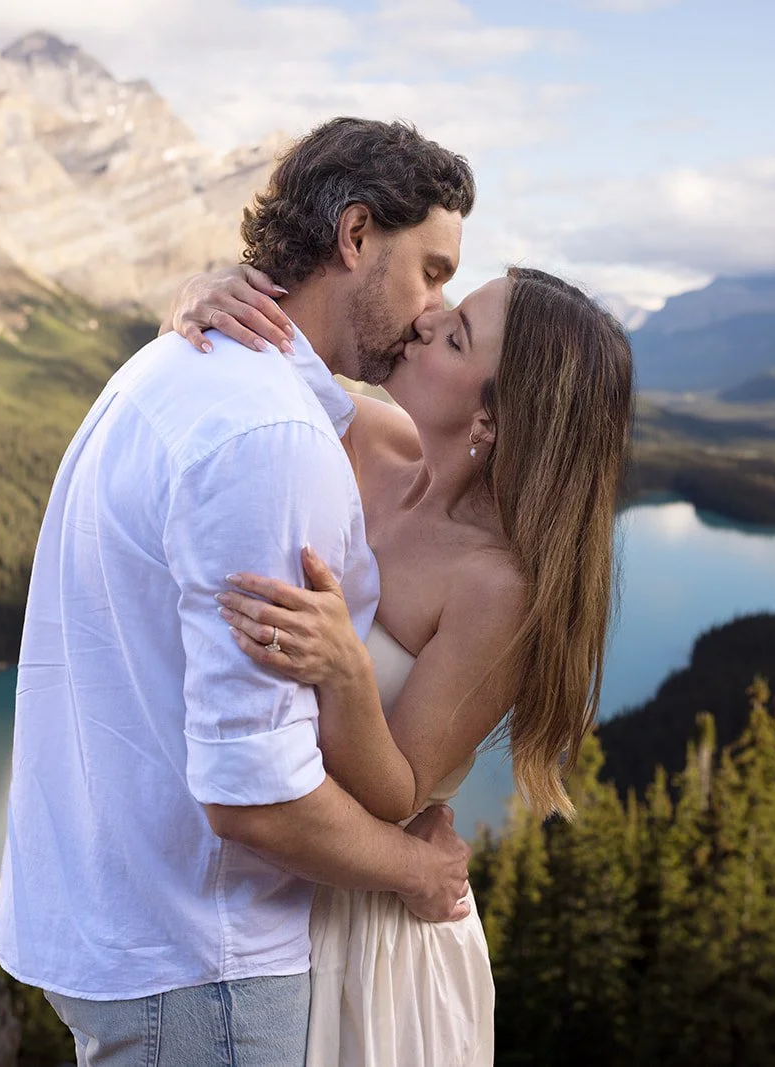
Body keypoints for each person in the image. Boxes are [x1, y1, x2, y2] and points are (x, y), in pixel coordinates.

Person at [0, 117, 481, 1067]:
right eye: (430, 269)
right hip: (200, 957)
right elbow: (256, 798)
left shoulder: (184, 364)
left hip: (121, 923)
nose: (433, 308)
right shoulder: (271, 434)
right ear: (354, 235)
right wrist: (418, 869)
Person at [164, 257, 635, 1065]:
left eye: (455, 336)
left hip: (373, 947)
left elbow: (401, 791)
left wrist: (346, 670)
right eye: (448, 305)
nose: (426, 318)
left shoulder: (496, 586)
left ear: (492, 419)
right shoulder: (374, 442)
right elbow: (263, 367)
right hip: (273, 905)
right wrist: (201, 292)